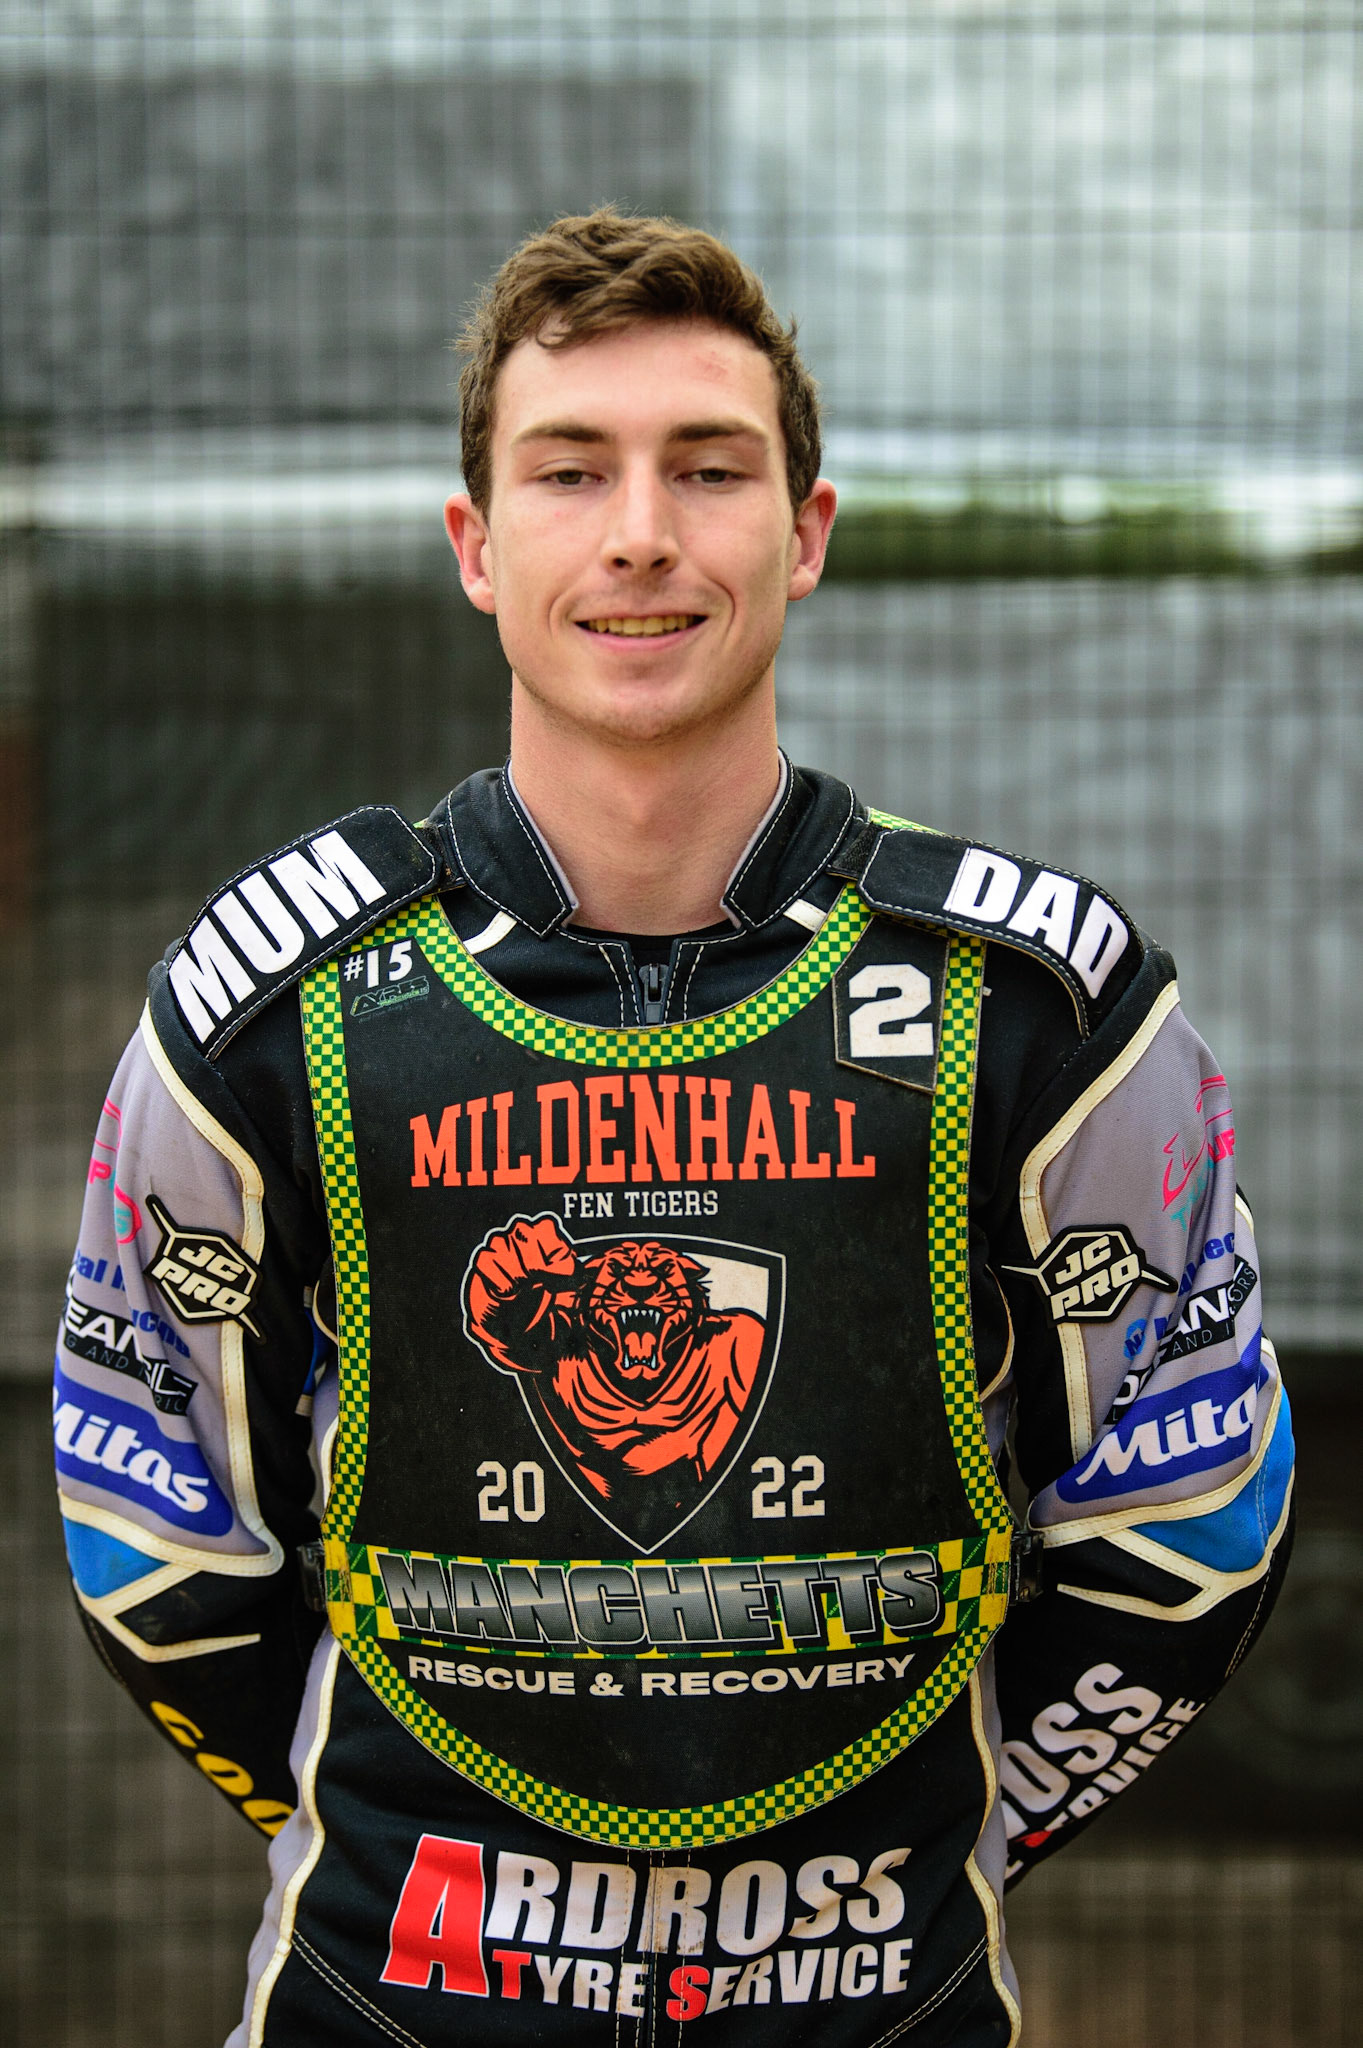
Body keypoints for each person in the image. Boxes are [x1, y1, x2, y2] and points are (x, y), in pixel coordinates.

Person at [55, 209, 1292, 2047]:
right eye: (572, 471)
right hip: (385, 2004)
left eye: (708, 469)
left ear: (803, 536)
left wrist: (930, 1841)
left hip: (888, 2006)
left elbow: (1195, 1526)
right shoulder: (271, 1012)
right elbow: (151, 1543)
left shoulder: (1043, 1011)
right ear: (477, 548)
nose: (641, 530)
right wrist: (399, 1838)